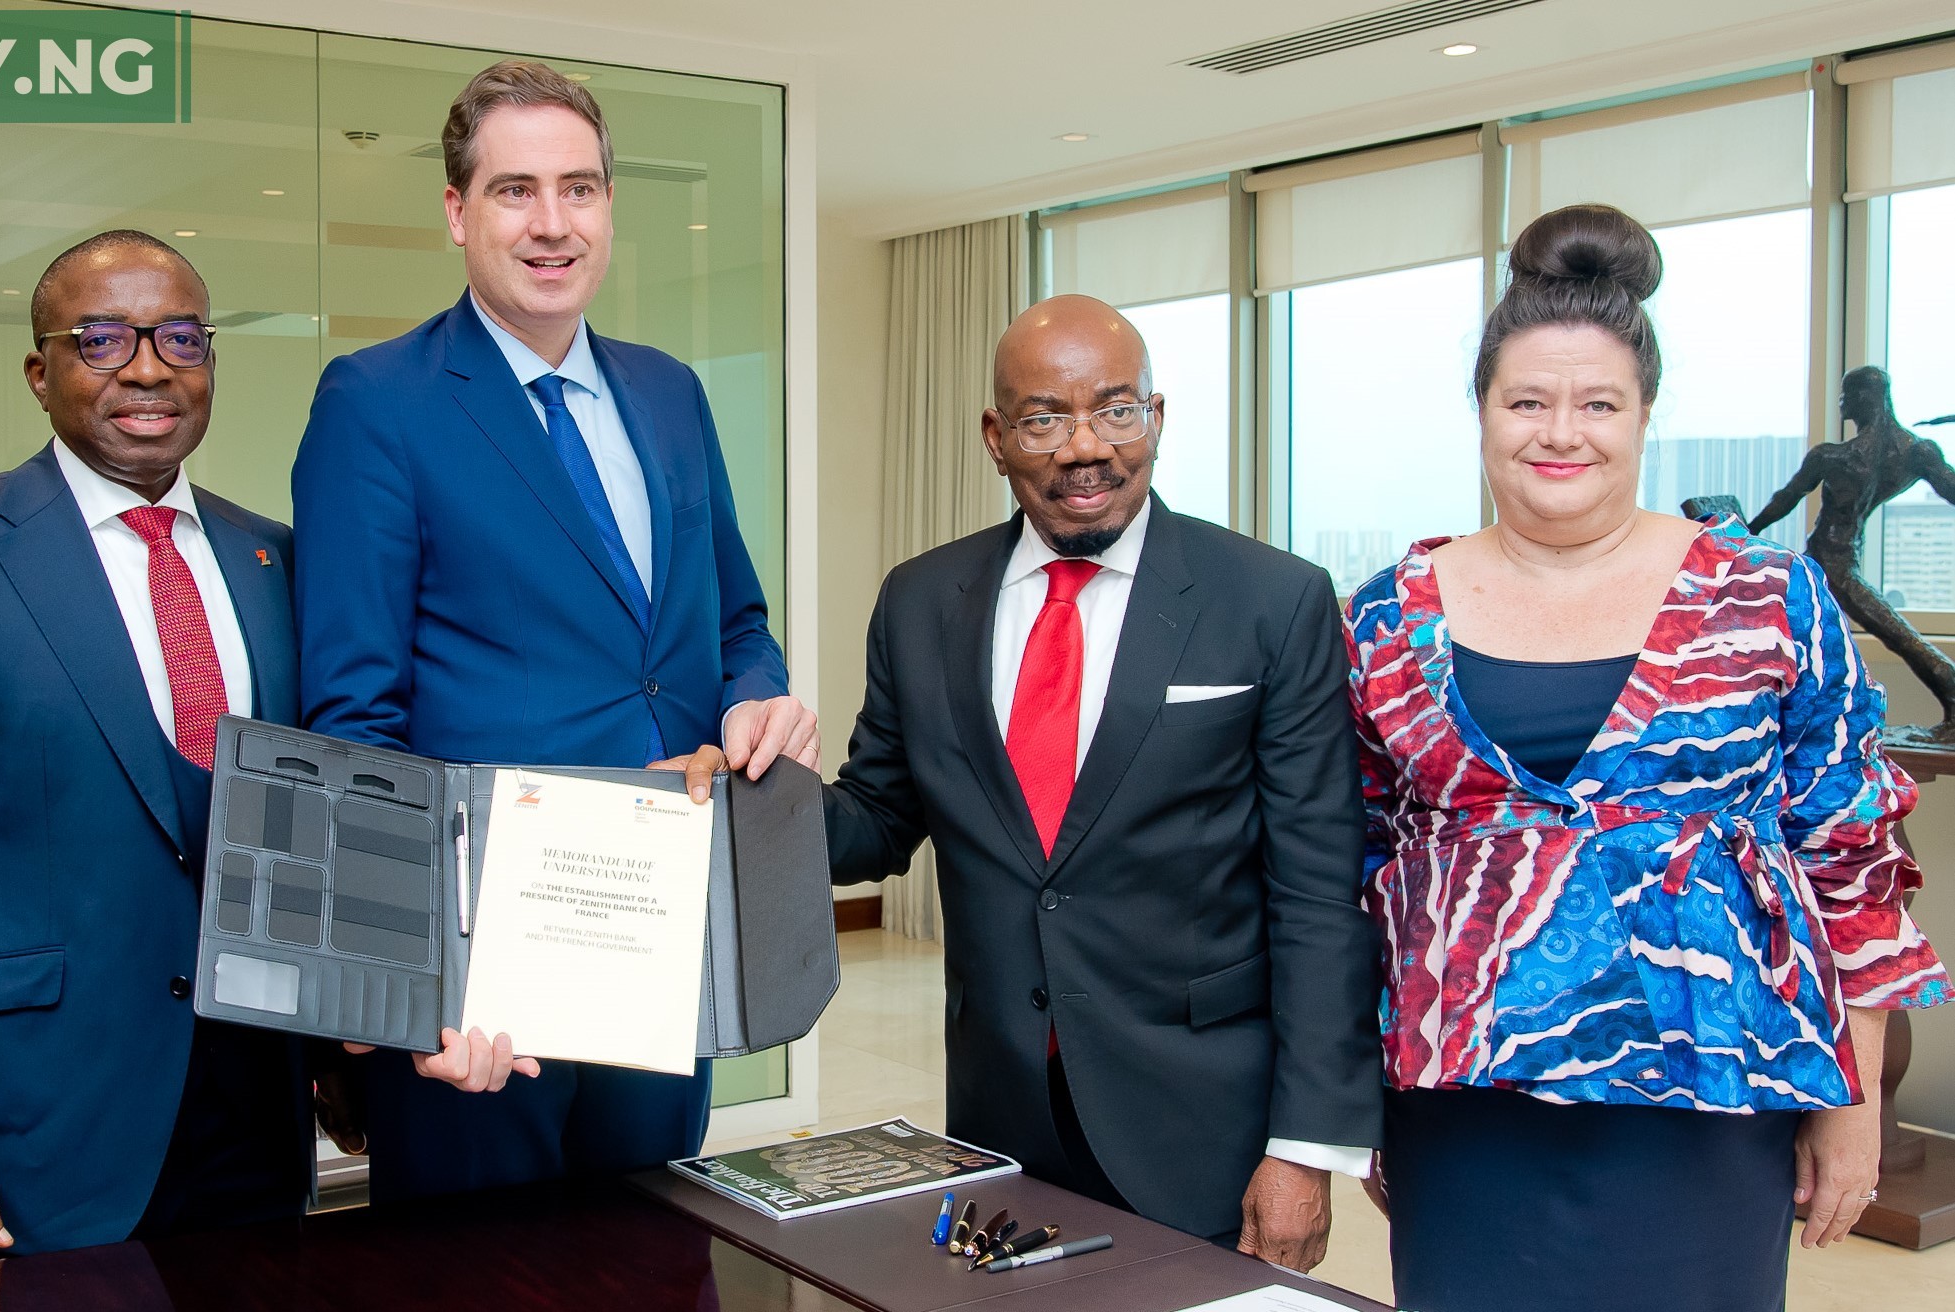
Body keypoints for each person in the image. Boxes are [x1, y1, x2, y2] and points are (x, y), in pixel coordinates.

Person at [1346, 203, 1951, 1312]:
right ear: (1481, 412)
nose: (1559, 433)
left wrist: (1853, 1099)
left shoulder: (1765, 597)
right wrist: (1350, 1104)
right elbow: (1351, 865)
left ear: (1643, 415)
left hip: (1711, 1092)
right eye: (1526, 401)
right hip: (1464, 1101)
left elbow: (1851, 855)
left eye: (1598, 403)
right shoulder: (1387, 617)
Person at [291, 59, 813, 1201]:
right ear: (456, 211)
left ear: (609, 207)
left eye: (578, 189)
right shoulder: (376, 401)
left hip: (663, 932)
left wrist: (754, 700)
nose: (551, 223)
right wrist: (410, 984)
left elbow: (735, 620)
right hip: (486, 973)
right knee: (477, 1270)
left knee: (657, 1244)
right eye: (514, 190)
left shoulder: (670, 393)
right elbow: (354, 719)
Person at [822, 295, 1381, 1263]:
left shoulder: (1271, 599)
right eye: (1044, 418)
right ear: (996, 438)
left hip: (1201, 1125)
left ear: (1155, 418)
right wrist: (735, 800)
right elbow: (875, 815)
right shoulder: (920, 601)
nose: (1086, 447)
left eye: (1116, 410)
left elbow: (1317, 892)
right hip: (1000, 1122)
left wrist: (1304, 1147)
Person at [0, 231, 311, 1265]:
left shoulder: (275, 559)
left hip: (256, 1115)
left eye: (180, 338)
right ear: (40, 375)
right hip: (39, 1126)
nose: (148, 368)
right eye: (102, 340)